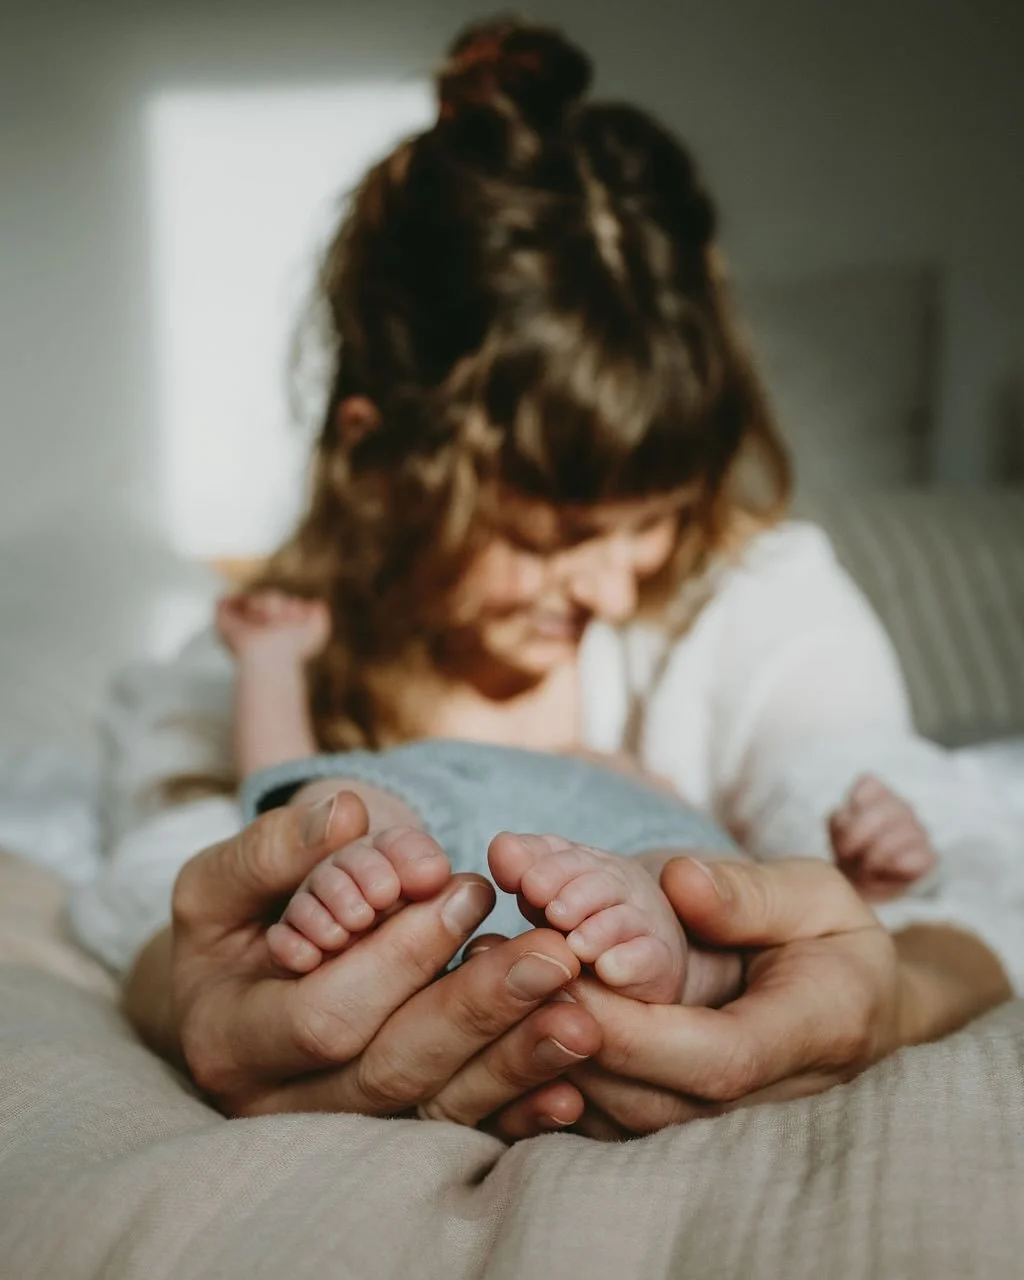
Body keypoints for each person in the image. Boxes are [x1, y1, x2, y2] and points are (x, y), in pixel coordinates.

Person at [73, 15, 1019, 1133]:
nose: (615, 591)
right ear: (381, 462)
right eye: (552, 535)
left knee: (683, 882)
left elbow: (919, 833)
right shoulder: (265, 646)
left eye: (655, 523)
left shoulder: (750, 600)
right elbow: (166, 869)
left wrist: (889, 969)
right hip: (410, 880)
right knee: (332, 814)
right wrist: (199, 988)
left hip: (642, 906)